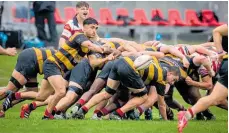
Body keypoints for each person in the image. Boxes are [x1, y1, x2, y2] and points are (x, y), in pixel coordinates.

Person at [177, 24, 228, 133]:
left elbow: (208, 85)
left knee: (214, 98)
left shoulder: (198, 61)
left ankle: (186, 115)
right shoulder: (198, 59)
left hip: (223, 65)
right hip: (221, 65)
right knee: (216, 99)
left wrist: (193, 82)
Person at [0, 47, 55, 117]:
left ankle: (2, 108)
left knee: (31, 92)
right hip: (31, 58)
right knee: (10, 90)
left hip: (34, 60)